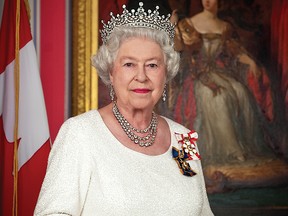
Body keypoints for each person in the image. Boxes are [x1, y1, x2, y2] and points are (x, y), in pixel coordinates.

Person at [34, 2, 214, 215]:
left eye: (152, 65)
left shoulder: (183, 139)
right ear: (111, 72)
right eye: (129, 64)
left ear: (166, 74)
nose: (141, 76)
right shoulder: (80, 134)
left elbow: (201, 210)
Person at [169, 0, 275, 167]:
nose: (207, 1)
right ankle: (231, 150)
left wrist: (251, 62)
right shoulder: (188, 24)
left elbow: (235, 51)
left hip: (220, 72)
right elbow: (178, 47)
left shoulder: (225, 27)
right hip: (197, 74)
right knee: (217, 96)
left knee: (240, 91)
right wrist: (173, 27)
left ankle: (242, 146)